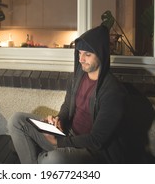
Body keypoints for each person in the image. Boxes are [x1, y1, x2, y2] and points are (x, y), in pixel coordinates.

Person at [8, 25, 130, 163]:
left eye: (87, 54)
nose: (81, 59)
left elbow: (97, 140)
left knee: (53, 160)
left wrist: (59, 143)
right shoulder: (77, 78)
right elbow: (67, 106)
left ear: (101, 55)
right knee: (17, 120)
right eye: (79, 53)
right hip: (67, 133)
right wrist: (58, 120)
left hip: (91, 150)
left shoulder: (113, 92)